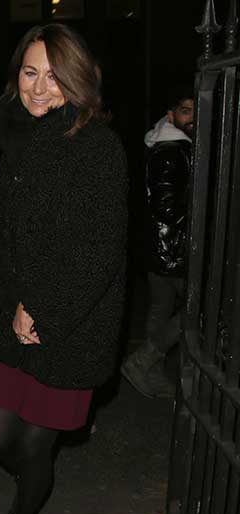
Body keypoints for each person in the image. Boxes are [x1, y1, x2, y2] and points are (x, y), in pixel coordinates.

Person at [0, 23, 128, 514]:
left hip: (69, 322)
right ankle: (28, 482)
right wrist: (11, 304)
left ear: (77, 81)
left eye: (53, 75)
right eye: (30, 72)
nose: (40, 88)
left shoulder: (97, 148)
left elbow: (99, 253)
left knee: (33, 441)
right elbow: (8, 238)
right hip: (12, 314)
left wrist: (41, 309)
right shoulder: (17, 140)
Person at [121, 87, 194, 398]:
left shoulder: (161, 144)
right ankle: (144, 361)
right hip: (173, 250)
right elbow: (166, 207)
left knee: (160, 310)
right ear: (171, 115)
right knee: (196, 312)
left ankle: (152, 373)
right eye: (185, 111)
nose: (192, 118)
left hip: (156, 247)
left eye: (195, 110)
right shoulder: (173, 151)